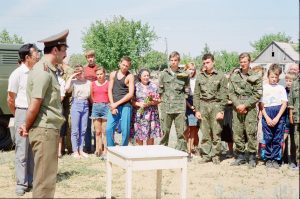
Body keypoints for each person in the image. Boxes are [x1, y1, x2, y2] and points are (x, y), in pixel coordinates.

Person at [19, 29, 68, 198]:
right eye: (64, 50)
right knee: (44, 180)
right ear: (55, 50)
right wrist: (25, 125)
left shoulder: (48, 70)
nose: (66, 54)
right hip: (44, 129)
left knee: (46, 178)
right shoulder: (43, 71)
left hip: (48, 128)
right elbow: (35, 104)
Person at [7, 43, 39, 196]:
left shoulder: (37, 73)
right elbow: (10, 99)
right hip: (22, 112)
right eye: (35, 54)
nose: (38, 56)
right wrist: (18, 115)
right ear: (27, 57)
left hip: (36, 114)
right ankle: (21, 183)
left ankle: (32, 180)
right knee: (21, 150)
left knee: (33, 149)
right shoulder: (17, 74)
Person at [228, 52, 262, 168]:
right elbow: (231, 93)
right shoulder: (234, 76)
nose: (243, 64)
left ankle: (252, 156)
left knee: (250, 132)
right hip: (237, 108)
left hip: (250, 108)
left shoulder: (256, 75)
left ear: (249, 62)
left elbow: (258, 94)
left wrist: (245, 105)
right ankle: (240, 156)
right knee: (237, 132)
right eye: (241, 62)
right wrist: (238, 105)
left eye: (245, 62)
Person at [193, 54, 227, 164]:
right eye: (204, 63)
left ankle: (216, 155)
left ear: (213, 62)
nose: (205, 65)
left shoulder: (221, 76)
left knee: (216, 132)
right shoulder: (200, 76)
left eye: (208, 62)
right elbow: (196, 94)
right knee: (205, 132)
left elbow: (224, 95)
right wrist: (197, 110)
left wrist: (221, 110)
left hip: (215, 105)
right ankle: (206, 155)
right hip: (203, 105)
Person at [159, 51, 189, 152]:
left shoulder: (184, 75)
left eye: (175, 60)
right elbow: (160, 91)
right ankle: (163, 151)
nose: (173, 62)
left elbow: (187, 91)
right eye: (171, 60)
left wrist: (181, 100)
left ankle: (182, 152)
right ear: (169, 61)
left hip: (179, 108)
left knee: (181, 132)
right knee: (165, 132)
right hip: (166, 108)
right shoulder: (163, 74)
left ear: (179, 61)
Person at [259, 64, 288, 169]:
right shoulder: (264, 88)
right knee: (268, 137)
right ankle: (268, 158)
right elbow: (261, 104)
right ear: (268, 76)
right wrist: (266, 117)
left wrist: (277, 117)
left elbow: (284, 103)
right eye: (272, 77)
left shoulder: (281, 88)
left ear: (279, 77)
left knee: (277, 138)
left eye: (276, 77)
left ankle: (275, 159)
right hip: (267, 112)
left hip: (278, 114)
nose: (274, 79)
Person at [106, 56, 134, 146]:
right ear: (119, 64)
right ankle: (111, 149)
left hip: (126, 106)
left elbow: (130, 94)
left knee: (125, 131)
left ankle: (124, 150)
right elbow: (110, 90)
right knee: (109, 129)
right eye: (123, 65)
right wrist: (112, 105)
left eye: (127, 66)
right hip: (114, 105)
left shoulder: (130, 76)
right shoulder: (113, 74)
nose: (124, 67)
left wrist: (116, 104)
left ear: (129, 66)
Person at [65, 65, 91, 159]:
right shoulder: (74, 82)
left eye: (81, 72)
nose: (79, 74)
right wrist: (72, 76)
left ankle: (81, 149)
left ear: (84, 71)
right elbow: (66, 88)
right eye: (77, 72)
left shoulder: (88, 82)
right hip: (76, 104)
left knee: (83, 129)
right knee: (75, 129)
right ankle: (75, 151)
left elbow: (90, 95)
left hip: (85, 104)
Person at [131, 68, 162, 145]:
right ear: (140, 77)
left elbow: (159, 99)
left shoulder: (153, 86)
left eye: (148, 75)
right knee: (139, 135)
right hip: (139, 114)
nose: (146, 77)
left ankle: (149, 154)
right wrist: (139, 104)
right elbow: (131, 101)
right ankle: (140, 155)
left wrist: (151, 102)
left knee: (150, 135)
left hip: (151, 115)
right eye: (144, 76)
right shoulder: (135, 86)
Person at [90, 67, 109, 158]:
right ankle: (98, 149)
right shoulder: (93, 84)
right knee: (97, 131)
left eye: (101, 74)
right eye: (97, 74)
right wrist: (96, 103)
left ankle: (105, 150)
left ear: (104, 74)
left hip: (106, 107)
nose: (99, 76)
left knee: (105, 131)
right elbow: (91, 96)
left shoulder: (108, 83)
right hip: (96, 107)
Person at [83, 50, 98, 153]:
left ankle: (98, 146)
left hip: (97, 101)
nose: (90, 58)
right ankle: (88, 147)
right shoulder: (84, 70)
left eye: (92, 56)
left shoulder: (98, 69)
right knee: (87, 125)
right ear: (86, 58)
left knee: (97, 124)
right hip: (86, 100)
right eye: (88, 57)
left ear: (94, 57)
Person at [184, 62, 200, 159]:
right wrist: (189, 106)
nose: (191, 71)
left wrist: (195, 106)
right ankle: (187, 149)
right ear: (186, 69)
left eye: (193, 69)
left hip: (195, 105)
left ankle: (191, 150)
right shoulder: (183, 80)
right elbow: (182, 96)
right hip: (186, 106)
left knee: (193, 128)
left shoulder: (197, 80)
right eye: (189, 69)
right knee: (186, 129)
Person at [282, 72, 297, 164]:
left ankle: (293, 159)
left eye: (290, 81)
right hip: (284, 118)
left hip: (294, 118)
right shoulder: (283, 91)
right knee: (284, 139)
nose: (288, 82)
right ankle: (284, 158)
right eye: (286, 80)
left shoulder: (296, 92)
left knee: (294, 139)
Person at [60, 62, 74, 155]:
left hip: (68, 100)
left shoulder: (69, 70)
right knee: (60, 124)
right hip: (58, 100)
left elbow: (70, 87)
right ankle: (60, 148)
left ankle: (70, 148)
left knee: (69, 124)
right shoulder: (53, 68)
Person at [288, 72, 300, 169]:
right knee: (297, 142)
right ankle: (298, 163)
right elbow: (291, 101)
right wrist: (291, 115)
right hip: (297, 118)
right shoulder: (295, 83)